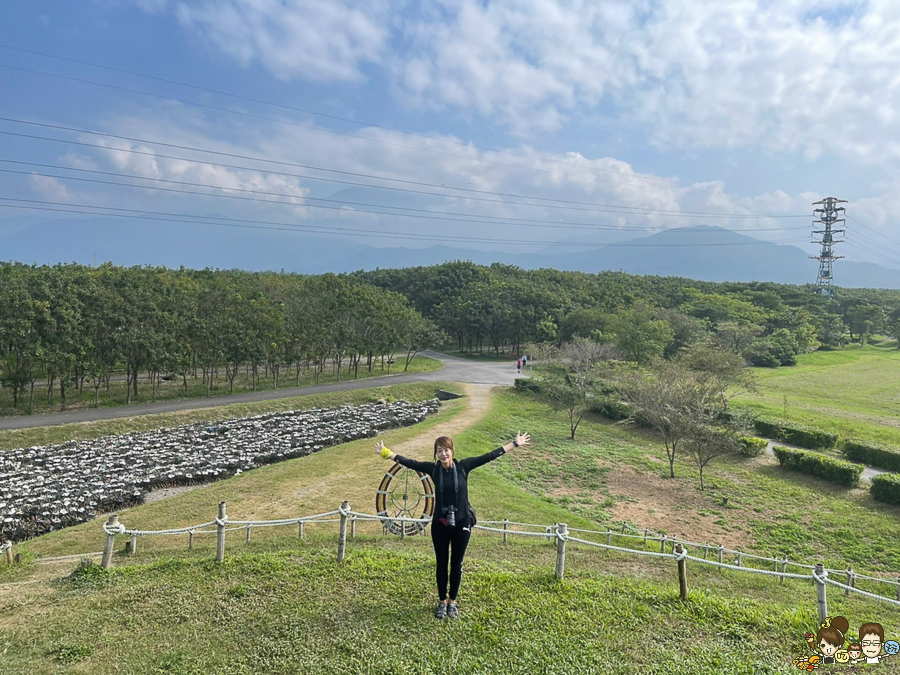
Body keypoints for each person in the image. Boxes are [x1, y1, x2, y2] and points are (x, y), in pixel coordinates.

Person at [374, 431, 531, 619]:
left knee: (456, 563)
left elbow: (488, 456)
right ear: (436, 454)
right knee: (441, 564)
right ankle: (441, 602)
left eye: (446, 450)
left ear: (452, 451)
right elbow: (410, 463)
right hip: (440, 524)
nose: (443, 454)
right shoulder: (433, 470)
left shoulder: (464, 466)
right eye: (439, 451)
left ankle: (452, 602)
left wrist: (515, 443)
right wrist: (387, 453)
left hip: (462, 522)